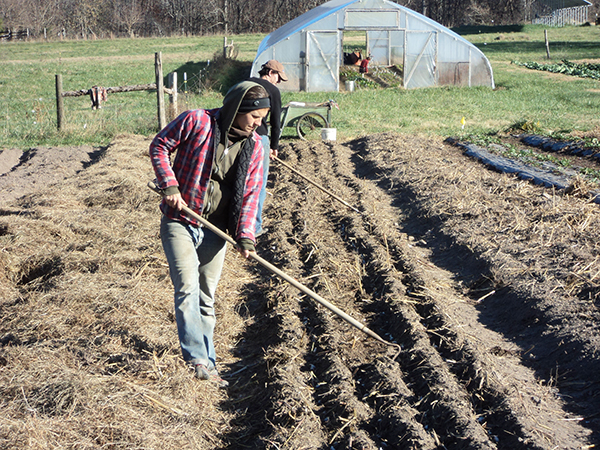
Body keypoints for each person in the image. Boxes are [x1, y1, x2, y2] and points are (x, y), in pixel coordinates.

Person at [149, 81, 270, 388]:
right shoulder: (197, 121)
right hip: (181, 220)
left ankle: (210, 362)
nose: (259, 124)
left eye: (262, 118)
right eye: (255, 117)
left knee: (206, 296)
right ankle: (197, 360)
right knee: (187, 287)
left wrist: (245, 236)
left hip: (216, 230)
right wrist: (170, 185)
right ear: (239, 109)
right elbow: (160, 145)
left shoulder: (254, 146)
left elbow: (251, 193)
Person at [248, 60, 288, 237]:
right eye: (278, 77)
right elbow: (276, 122)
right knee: (258, 183)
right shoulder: (273, 91)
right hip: (259, 138)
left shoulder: (246, 84)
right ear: (271, 72)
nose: (279, 82)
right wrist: (274, 146)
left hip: (237, 136)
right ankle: (254, 227)